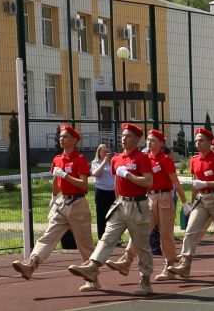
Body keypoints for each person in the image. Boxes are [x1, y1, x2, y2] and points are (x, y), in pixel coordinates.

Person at [69, 123, 155, 296]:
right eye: (122, 136)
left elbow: (148, 182)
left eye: (128, 136)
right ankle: (92, 267)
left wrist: (129, 175)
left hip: (138, 205)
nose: (124, 139)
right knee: (107, 237)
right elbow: (117, 183)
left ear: (137, 139)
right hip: (121, 204)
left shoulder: (142, 158)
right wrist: (118, 200)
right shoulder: (116, 159)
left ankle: (145, 281)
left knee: (141, 245)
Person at [11, 123, 94, 279]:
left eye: (65, 137)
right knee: (49, 235)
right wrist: (54, 197)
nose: (61, 139)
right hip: (62, 202)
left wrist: (66, 176)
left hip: (78, 203)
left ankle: (91, 276)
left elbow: (84, 185)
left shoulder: (80, 159)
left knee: (84, 244)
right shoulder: (57, 159)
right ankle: (31, 264)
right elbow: (56, 181)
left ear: (75, 140)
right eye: (60, 136)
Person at [172, 127, 214, 281]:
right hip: (202, 199)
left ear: (210, 142)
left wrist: (205, 183)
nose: (197, 143)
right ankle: (185, 265)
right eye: (196, 140)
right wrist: (191, 202)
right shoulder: (194, 160)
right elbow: (196, 183)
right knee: (190, 231)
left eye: (201, 140)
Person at [114, 129, 181, 276]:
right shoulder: (144, 158)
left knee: (165, 234)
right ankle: (126, 259)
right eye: (148, 140)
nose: (149, 142)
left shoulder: (165, 160)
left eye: (153, 140)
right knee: (140, 231)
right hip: (148, 198)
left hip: (164, 198)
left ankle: (169, 267)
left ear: (161, 143)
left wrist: (185, 202)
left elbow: (175, 182)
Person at [90, 141, 116, 234]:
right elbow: (97, 174)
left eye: (107, 152)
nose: (106, 154)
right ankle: (102, 236)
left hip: (113, 191)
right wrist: (104, 161)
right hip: (101, 191)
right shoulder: (95, 163)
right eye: (104, 152)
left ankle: (114, 237)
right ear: (99, 153)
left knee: (113, 215)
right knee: (101, 215)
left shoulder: (113, 162)